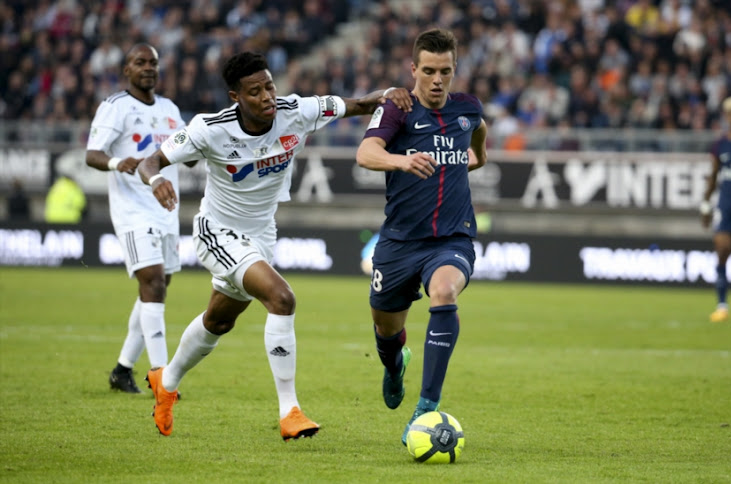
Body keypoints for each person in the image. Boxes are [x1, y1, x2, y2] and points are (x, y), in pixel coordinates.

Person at [137, 51, 412, 439]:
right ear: (236, 97)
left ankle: (166, 382)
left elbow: (361, 104)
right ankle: (290, 413)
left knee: (219, 320)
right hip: (217, 231)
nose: (267, 96)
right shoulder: (208, 129)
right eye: (255, 91)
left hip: (261, 234)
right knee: (282, 298)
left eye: (269, 86)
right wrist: (156, 181)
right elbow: (150, 162)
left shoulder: (297, 111)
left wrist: (394, 93)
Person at [355, 28, 488, 445]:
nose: (436, 79)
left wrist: (477, 159)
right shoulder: (399, 107)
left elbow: (478, 134)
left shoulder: (468, 108)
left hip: (452, 238)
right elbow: (365, 154)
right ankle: (395, 367)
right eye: (428, 70)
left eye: (445, 71)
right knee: (386, 333)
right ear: (413, 69)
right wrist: (402, 160)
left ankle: (427, 407)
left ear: (454, 71)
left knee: (444, 292)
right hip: (399, 242)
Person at [85, 44, 196, 394]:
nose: (148, 68)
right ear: (126, 70)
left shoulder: (169, 109)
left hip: (165, 209)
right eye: (140, 62)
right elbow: (92, 154)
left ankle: (122, 370)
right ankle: (163, 377)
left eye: (153, 63)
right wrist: (120, 163)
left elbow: (187, 152)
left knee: (157, 287)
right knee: (152, 282)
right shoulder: (115, 107)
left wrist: (202, 145)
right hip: (133, 210)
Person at [700, 95, 731, 323]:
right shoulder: (720, 145)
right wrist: (705, 205)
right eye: (730, 114)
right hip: (726, 207)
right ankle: (721, 305)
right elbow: (712, 178)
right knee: (721, 250)